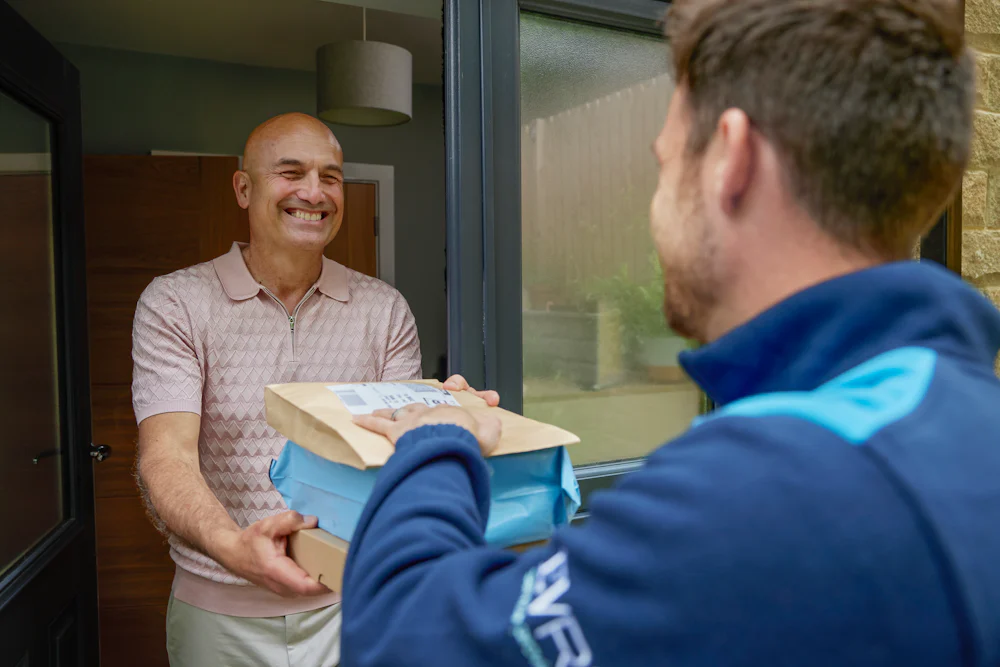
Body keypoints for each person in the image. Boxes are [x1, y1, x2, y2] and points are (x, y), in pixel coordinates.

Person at [340, 1, 1000, 666]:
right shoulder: (963, 417)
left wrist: (435, 439)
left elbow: (403, 634)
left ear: (732, 159)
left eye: (663, 165)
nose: (655, 210)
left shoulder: (767, 492)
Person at [131, 112, 495, 666]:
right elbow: (167, 457)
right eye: (291, 172)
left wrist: (451, 416)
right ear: (244, 187)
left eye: (330, 176)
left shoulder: (385, 309)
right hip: (220, 612)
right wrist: (234, 548)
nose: (313, 192)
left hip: (354, 602)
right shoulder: (175, 303)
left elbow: (397, 450)